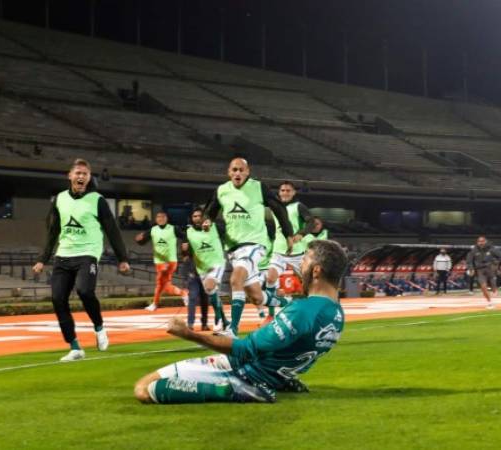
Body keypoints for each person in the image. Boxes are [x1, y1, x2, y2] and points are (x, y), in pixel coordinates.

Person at [133, 239, 348, 404]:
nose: (300, 267)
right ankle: (282, 381)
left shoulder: (303, 310)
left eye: (304, 261)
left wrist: (187, 333)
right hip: (274, 375)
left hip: (244, 373)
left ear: (317, 270)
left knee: (144, 388)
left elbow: (245, 350)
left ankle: (230, 391)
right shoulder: (336, 314)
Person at [33, 158, 130, 362]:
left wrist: (122, 258)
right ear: (69, 176)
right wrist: (43, 258)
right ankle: (75, 347)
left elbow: (112, 229)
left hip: (88, 253)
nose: (80, 176)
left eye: (84, 174)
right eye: (77, 173)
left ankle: (99, 327)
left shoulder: (97, 200)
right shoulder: (59, 199)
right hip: (64, 254)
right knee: (58, 300)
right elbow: (53, 231)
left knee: (85, 291)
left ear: (88, 178)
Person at [202, 158, 294, 336]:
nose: (237, 173)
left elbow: (279, 209)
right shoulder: (222, 190)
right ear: (229, 172)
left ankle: (232, 330)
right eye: (234, 170)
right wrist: (208, 220)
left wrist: (288, 234)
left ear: (247, 171)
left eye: (241, 170)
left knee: (236, 280)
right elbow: (211, 209)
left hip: (254, 244)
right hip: (233, 248)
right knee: (256, 297)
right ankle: (288, 304)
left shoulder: (258, 187)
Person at [264, 181, 314, 322]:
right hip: (278, 251)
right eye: (283, 190)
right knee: (270, 278)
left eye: (288, 190)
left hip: (298, 254)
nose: (285, 193)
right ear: (279, 192)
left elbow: (311, 222)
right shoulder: (274, 207)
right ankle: (271, 314)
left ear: (293, 192)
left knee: (309, 285)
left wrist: (301, 234)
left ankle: (313, 310)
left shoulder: (298, 206)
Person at [182, 207, 229, 332]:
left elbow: (226, 231)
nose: (197, 218)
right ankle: (225, 321)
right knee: (212, 293)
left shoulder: (214, 226)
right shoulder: (188, 232)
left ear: (204, 217)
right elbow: (186, 252)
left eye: (199, 216)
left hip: (217, 264)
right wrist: (185, 251)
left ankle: (218, 319)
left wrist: (213, 224)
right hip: (202, 268)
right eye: (194, 216)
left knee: (209, 288)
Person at [135, 211, 188, 311]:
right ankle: (183, 293)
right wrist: (139, 240)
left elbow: (185, 236)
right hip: (158, 262)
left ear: (166, 218)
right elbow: (142, 241)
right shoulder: (153, 230)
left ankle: (155, 304)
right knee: (165, 286)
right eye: (158, 217)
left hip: (170, 261)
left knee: (160, 282)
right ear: (156, 219)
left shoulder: (173, 228)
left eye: (163, 217)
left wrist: (185, 244)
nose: (160, 218)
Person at [466, 236, 501, 309]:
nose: (481, 243)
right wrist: (471, 269)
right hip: (480, 270)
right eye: (479, 241)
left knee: (493, 285)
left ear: (485, 241)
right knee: (483, 287)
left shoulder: (491, 248)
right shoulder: (474, 250)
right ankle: (490, 302)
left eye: (482, 241)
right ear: (477, 242)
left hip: (490, 269)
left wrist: (495, 264)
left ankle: (494, 290)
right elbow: (469, 260)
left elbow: (500, 256)